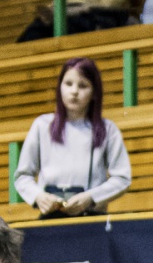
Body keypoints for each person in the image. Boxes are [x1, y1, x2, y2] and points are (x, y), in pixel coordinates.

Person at [14, 58, 131, 217]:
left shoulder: (108, 129)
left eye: (83, 86)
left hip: (91, 217)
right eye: (68, 84)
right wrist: (38, 196)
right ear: (60, 87)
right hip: (51, 217)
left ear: (94, 92)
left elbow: (122, 178)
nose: (74, 91)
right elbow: (23, 176)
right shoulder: (41, 125)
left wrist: (91, 197)